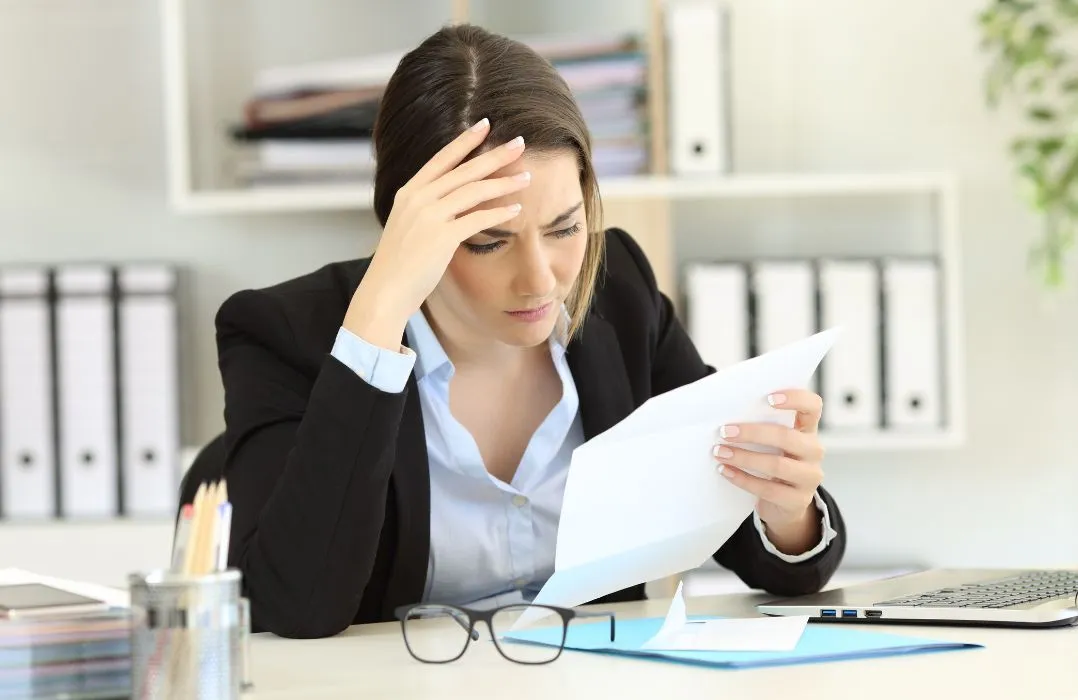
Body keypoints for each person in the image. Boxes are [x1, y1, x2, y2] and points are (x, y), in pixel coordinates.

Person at [214, 23, 846, 640]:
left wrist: (787, 510)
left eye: (565, 228)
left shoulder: (618, 293)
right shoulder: (283, 334)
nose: (541, 280)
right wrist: (378, 317)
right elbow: (294, 606)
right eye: (489, 242)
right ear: (410, 228)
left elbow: (766, 555)